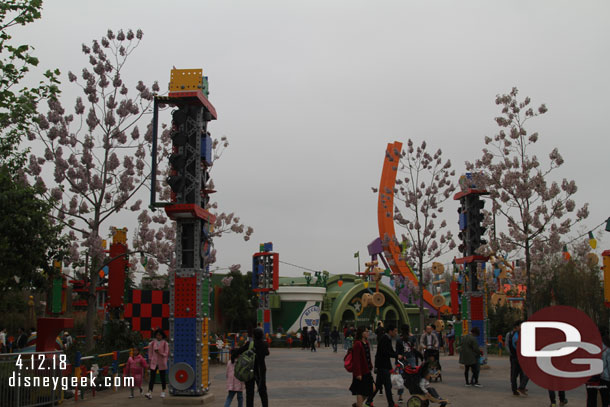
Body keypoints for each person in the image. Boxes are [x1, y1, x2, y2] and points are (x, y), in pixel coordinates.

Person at [366, 323, 401, 407]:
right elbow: (385, 353)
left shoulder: (387, 338)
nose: (396, 333)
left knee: (378, 385)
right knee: (387, 386)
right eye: (395, 331)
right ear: (390, 331)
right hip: (382, 366)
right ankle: (391, 404)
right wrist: (396, 355)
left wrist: (397, 355)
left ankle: (369, 400)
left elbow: (390, 351)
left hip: (382, 365)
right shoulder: (385, 339)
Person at [237, 327, 269, 407]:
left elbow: (241, 350)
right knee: (263, 391)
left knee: (250, 392)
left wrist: (233, 354)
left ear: (253, 335)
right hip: (260, 371)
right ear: (262, 335)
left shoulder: (250, 343)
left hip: (249, 370)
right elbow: (267, 353)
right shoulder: (264, 344)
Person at [350, 326, 375, 407]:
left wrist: (370, 365)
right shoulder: (357, 344)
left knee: (373, 388)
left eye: (368, 331)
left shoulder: (366, 342)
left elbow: (368, 356)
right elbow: (356, 360)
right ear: (361, 333)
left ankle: (358, 405)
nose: (368, 333)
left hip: (367, 370)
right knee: (360, 391)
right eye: (366, 331)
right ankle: (359, 405)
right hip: (360, 372)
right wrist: (358, 373)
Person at [586, 325, 610, 407]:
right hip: (604, 378)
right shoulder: (607, 345)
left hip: (591, 377)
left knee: (591, 399)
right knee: (605, 401)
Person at [506, 320, 529, 396]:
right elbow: (508, 345)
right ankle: (517, 388)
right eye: (521, 326)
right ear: (516, 327)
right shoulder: (512, 335)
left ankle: (520, 388)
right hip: (515, 357)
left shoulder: (519, 334)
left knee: (520, 373)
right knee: (516, 374)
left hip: (517, 357)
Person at [145, 329, 169, 399]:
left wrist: (159, 352)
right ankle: (149, 391)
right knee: (152, 377)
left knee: (162, 377)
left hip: (162, 362)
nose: (158, 336)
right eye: (157, 335)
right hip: (154, 362)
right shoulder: (152, 343)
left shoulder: (165, 343)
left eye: (159, 335)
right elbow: (150, 353)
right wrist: (149, 361)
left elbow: (166, 353)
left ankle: (163, 391)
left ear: (162, 336)